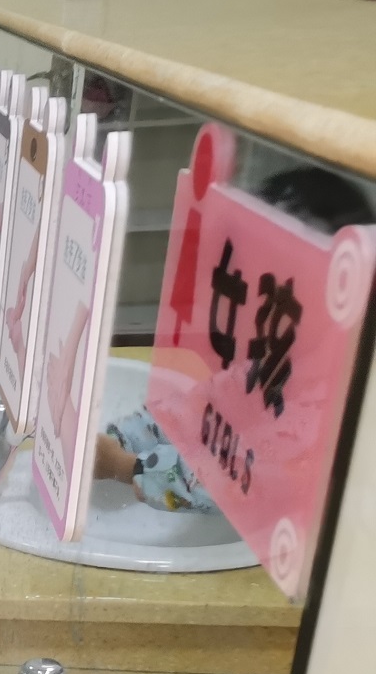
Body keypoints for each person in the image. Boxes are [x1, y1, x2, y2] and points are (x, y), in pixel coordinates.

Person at [93, 165, 376, 511]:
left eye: (258, 286)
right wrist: (122, 438)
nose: (240, 301)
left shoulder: (322, 409)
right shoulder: (280, 361)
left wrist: (123, 466)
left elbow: (231, 482)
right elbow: (201, 408)